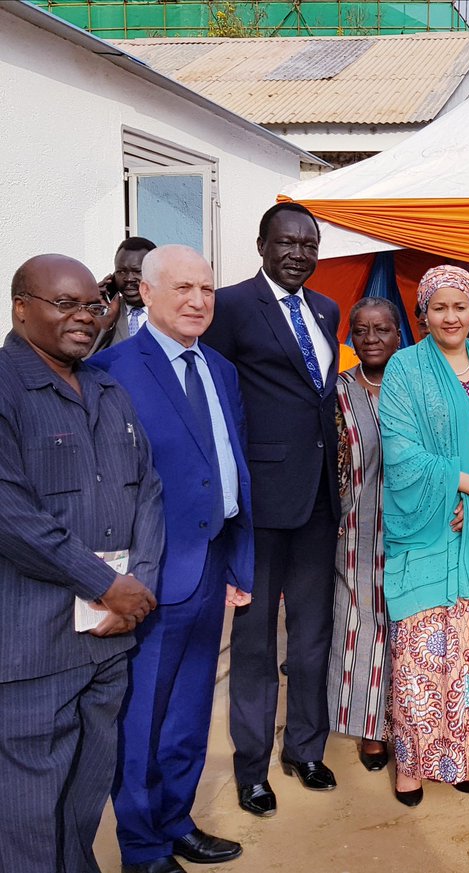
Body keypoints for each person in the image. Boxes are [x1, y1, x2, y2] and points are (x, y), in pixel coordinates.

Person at [92, 245, 254, 872]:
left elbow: (230, 464)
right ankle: (143, 848)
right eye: (183, 287)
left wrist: (240, 557)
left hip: (211, 565)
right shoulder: (112, 369)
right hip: (149, 576)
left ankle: (176, 819)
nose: (197, 301)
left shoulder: (218, 367)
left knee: (189, 712)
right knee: (142, 721)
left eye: (207, 289)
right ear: (147, 293)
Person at [0, 254, 162, 873]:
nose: (83, 317)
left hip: (108, 641)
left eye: (91, 305)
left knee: (82, 802)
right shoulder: (8, 389)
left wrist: (136, 584)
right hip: (34, 651)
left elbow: (147, 489)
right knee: (26, 816)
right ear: (22, 307)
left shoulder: (105, 387)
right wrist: (107, 584)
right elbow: (11, 516)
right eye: (63, 304)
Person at [203, 202, 342, 817]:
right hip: (258, 503)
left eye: (309, 245)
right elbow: (215, 397)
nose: (299, 254)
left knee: (312, 635)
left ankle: (306, 749)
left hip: (318, 501)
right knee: (256, 643)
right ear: (261, 244)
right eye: (287, 243)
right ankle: (253, 767)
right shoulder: (231, 307)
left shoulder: (326, 308)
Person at [379, 265, 469, 807]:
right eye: (438, 307)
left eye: (459, 306)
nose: (451, 316)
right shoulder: (405, 368)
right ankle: (413, 766)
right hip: (429, 529)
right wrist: (463, 488)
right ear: (423, 313)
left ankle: (465, 754)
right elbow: (400, 450)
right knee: (421, 652)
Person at [326, 298, 403, 773]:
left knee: (409, 625)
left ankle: (410, 719)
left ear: (400, 335)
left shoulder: (416, 388)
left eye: (382, 328)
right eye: (361, 329)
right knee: (360, 625)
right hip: (355, 529)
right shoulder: (336, 391)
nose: (371, 337)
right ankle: (370, 727)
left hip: (413, 528)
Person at [90, 237, 157, 355]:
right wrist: (103, 317)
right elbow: (84, 363)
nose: (129, 279)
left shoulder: (171, 313)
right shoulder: (104, 314)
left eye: (137, 271)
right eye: (121, 271)